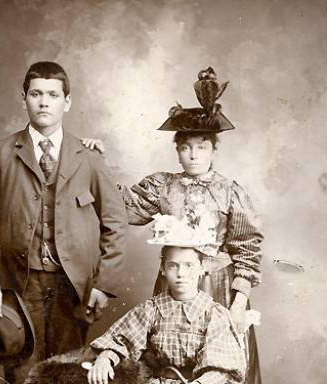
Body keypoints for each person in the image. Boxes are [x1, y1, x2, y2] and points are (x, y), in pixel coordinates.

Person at [81, 67, 263, 383]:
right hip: (173, 282)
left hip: (218, 287)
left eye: (202, 147)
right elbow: (124, 207)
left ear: (214, 149)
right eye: (186, 147)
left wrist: (239, 303)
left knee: (221, 366)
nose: (194, 155)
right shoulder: (163, 187)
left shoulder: (230, 191)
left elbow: (248, 249)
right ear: (177, 149)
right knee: (167, 362)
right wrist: (99, 164)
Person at [0, 61, 128, 384]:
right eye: (36, 93)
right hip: (16, 287)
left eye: (53, 95)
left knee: (67, 371)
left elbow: (116, 224)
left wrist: (103, 285)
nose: (44, 102)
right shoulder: (1, 154)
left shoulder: (89, 157)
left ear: (67, 102)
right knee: (22, 371)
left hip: (74, 289)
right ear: (23, 98)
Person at [24, 217, 248, 384]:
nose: (181, 274)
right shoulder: (151, 310)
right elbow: (122, 341)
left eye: (189, 266)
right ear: (162, 269)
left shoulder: (214, 314)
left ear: (202, 269)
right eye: (173, 266)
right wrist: (106, 359)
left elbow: (220, 370)